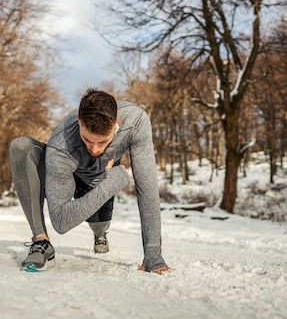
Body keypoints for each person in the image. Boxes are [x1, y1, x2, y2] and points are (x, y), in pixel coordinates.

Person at [9, 88, 170, 274]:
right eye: (87, 140)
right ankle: (41, 242)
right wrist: (112, 184)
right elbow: (61, 223)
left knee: (99, 225)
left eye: (102, 142)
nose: (94, 149)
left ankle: (100, 234)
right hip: (72, 177)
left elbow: (147, 188)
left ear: (117, 124)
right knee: (20, 147)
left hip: (100, 181)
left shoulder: (136, 121)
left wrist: (153, 256)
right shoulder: (61, 143)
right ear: (79, 120)